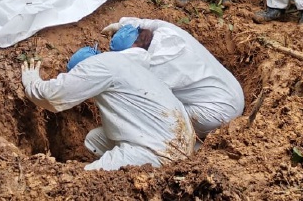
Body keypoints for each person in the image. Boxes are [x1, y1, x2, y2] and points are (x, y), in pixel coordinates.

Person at [21, 46, 195, 171]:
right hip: (182, 138)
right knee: (94, 140)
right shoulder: (121, 60)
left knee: (87, 179)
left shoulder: (93, 69)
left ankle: (135, 170)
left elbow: (53, 96)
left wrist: (32, 83)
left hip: (159, 151)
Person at [103, 19, 245, 138]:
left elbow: (143, 101)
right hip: (235, 92)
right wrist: (122, 24)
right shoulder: (166, 30)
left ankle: (189, 147)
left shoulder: (156, 66)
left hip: (215, 115)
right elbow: (146, 23)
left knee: (152, 117)